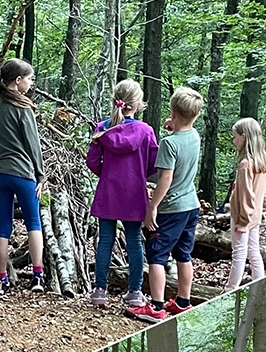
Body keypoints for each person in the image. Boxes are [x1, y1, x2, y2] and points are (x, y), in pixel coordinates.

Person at [132, 87, 204, 324]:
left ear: (173, 112)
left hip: (171, 208)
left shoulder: (168, 143)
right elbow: (184, 136)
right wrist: (176, 125)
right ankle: (183, 301)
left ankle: (156, 306)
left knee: (157, 256)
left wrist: (152, 207)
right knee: (184, 254)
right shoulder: (195, 136)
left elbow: (165, 179)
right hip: (191, 206)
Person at [86, 80, 158, 310]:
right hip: (134, 193)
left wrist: (106, 172)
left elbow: (92, 161)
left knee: (105, 241)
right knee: (135, 241)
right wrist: (138, 174)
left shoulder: (103, 128)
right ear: (138, 104)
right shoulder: (146, 132)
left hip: (109, 190)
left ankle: (100, 290)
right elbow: (154, 164)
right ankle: (135, 292)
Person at [0, 58, 46, 294]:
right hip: (23, 173)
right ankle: (37, 277)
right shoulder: (24, 107)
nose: (31, 84)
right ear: (18, 80)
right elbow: (34, 145)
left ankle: (2, 279)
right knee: (34, 224)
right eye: (29, 79)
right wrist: (40, 175)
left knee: (3, 227)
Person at [224, 118, 266, 291]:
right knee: (253, 252)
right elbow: (265, 192)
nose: (233, 140)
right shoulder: (263, 162)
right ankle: (260, 286)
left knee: (239, 254)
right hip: (255, 216)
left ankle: (230, 289)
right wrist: (262, 211)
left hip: (242, 218)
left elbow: (245, 196)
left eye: (235, 137)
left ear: (244, 137)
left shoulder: (245, 165)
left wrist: (242, 221)